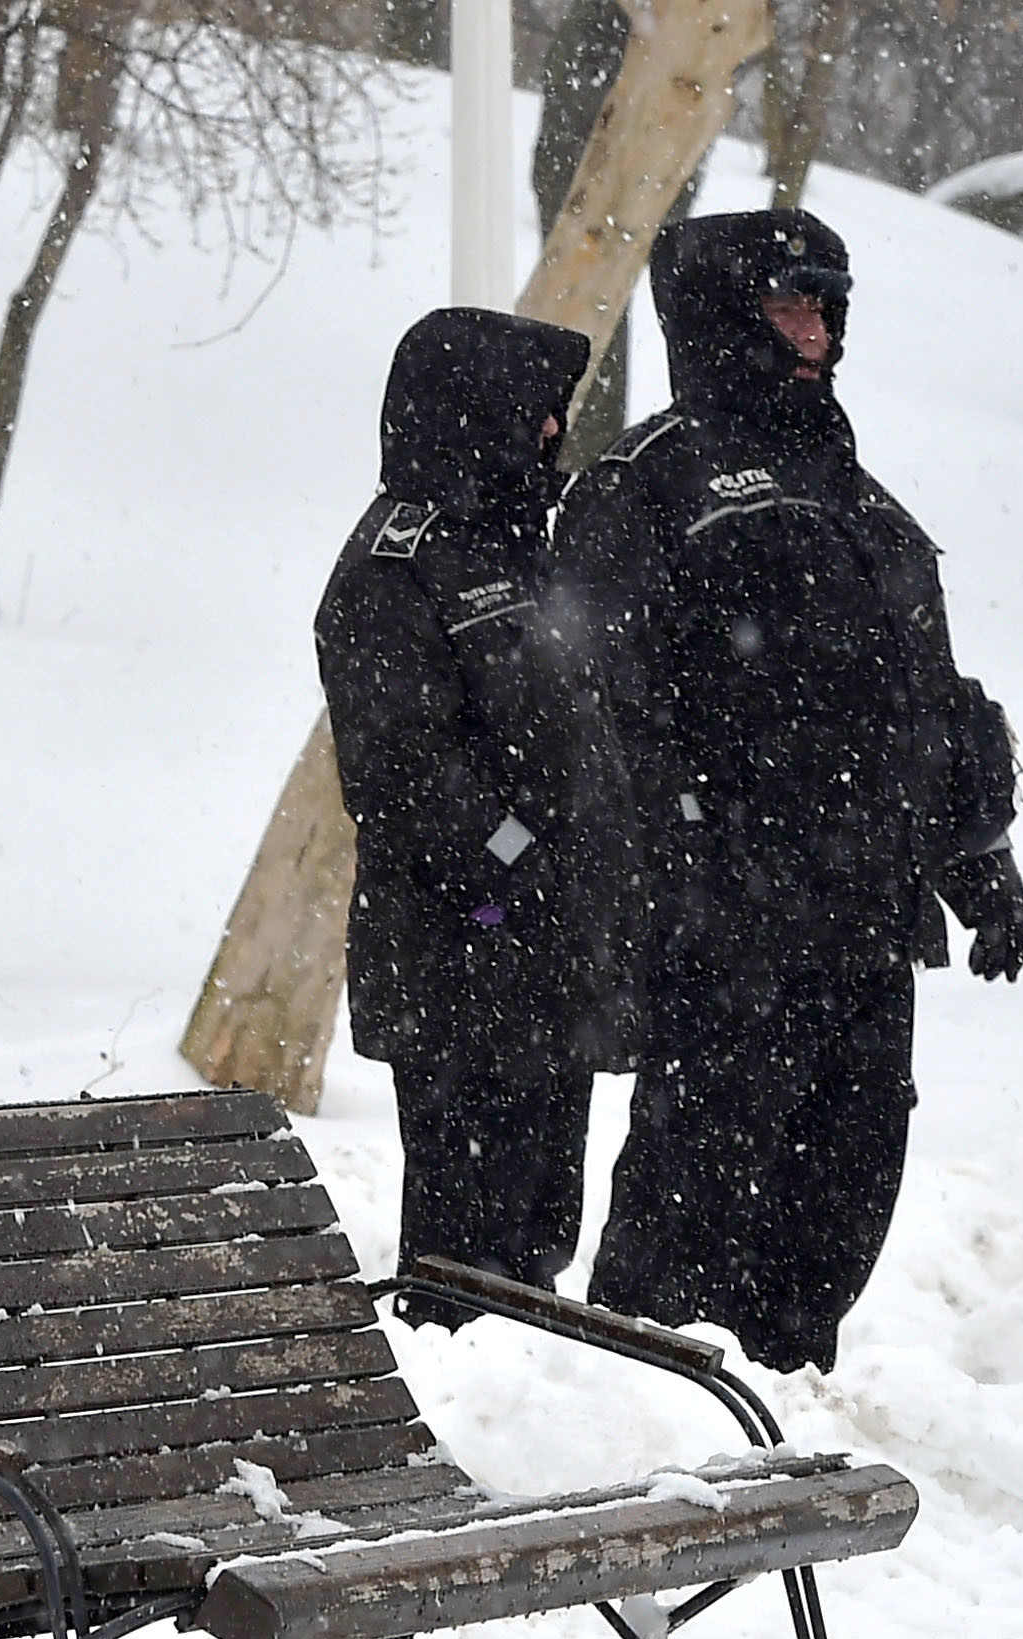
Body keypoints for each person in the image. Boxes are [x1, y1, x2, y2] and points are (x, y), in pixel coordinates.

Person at [549, 207, 1023, 1374]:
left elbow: (920, 699)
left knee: (843, 1183)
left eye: (825, 306)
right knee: (694, 1187)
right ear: (722, 318)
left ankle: (788, 1400)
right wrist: (684, 864)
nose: (813, 334)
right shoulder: (645, 486)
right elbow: (595, 719)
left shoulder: (857, 497)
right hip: (727, 925)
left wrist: (977, 858)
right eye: (786, 306)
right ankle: (630, 1404)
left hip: (864, 916)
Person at [314, 306, 601, 1316]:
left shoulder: (522, 545)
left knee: (536, 1228)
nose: (550, 433)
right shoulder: (397, 563)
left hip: (537, 955)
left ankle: (531, 1411)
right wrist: (517, 860)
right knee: (465, 1247)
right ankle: (461, 1411)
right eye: (534, 411)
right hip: (456, 954)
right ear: (473, 412)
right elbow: (402, 769)